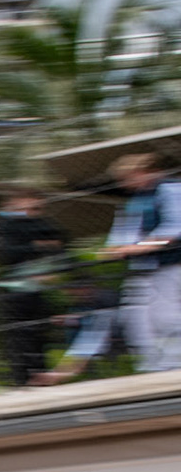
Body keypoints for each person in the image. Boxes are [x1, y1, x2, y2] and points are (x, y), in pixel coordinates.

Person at [100, 152, 181, 372]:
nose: (125, 183)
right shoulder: (136, 200)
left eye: (127, 177)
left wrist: (140, 247)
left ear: (143, 172)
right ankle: (153, 366)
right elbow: (124, 231)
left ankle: (173, 366)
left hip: (171, 265)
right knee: (136, 319)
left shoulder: (170, 189)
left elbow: (174, 228)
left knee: (166, 317)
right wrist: (115, 247)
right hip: (145, 268)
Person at [0, 188, 67, 386]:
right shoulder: (5, 225)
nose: (33, 212)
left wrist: (43, 249)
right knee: (20, 339)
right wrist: (38, 246)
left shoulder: (43, 224)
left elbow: (61, 243)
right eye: (29, 208)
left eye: (37, 208)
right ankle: (23, 380)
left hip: (35, 289)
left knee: (38, 337)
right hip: (14, 291)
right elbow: (7, 253)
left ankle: (38, 377)